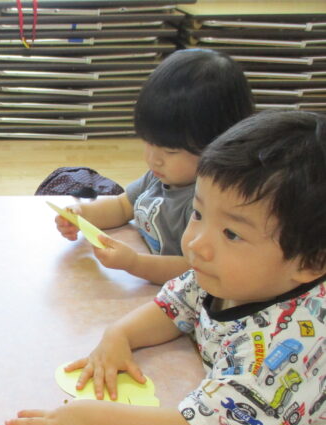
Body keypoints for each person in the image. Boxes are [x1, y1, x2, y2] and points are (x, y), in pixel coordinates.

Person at [10, 111, 326, 425]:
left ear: (310, 262)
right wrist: (120, 334)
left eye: (231, 233)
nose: (195, 243)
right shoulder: (228, 273)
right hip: (215, 414)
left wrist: (86, 416)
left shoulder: (288, 352)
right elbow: (174, 305)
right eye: (198, 213)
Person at [54, 48, 254, 285]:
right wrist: (82, 216)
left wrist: (135, 263)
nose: (153, 159)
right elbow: (122, 207)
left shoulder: (209, 204)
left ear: (221, 144)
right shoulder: (162, 175)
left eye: (170, 151)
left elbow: (195, 271)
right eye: (148, 143)